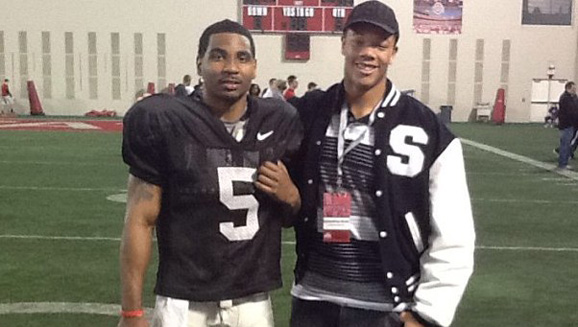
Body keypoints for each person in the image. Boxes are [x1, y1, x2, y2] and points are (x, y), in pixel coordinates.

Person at [288, 2, 475, 327]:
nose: (368, 52)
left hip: (385, 310)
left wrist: (428, 312)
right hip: (313, 302)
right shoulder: (310, 112)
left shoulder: (425, 128)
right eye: (359, 41)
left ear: (393, 53)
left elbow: (455, 231)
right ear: (343, 43)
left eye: (380, 45)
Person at [118, 19, 303, 327]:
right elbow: (140, 218)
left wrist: (293, 196)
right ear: (200, 63)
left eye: (242, 58)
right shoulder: (167, 120)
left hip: (252, 297)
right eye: (218, 56)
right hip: (184, 299)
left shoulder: (279, 121)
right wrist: (132, 311)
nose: (231, 67)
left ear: (254, 67)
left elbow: (291, 217)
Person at [556, 81, 578, 169]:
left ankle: (564, 163)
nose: (575, 90)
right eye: (573, 89)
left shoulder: (572, 98)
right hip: (566, 125)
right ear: (568, 88)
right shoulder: (565, 98)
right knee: (565, 144)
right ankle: (562, 164)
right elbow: (571, 112)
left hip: (570, 125)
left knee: (566, 144)